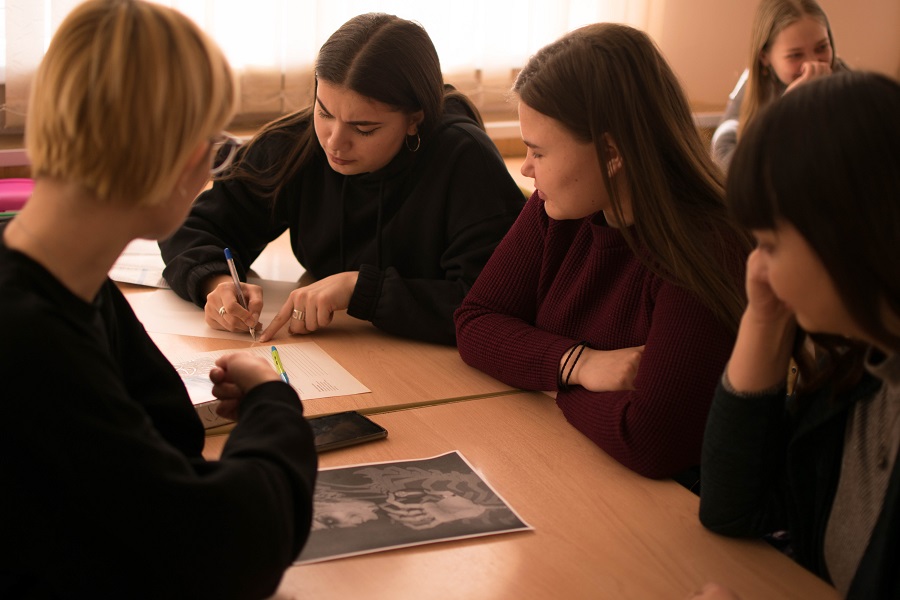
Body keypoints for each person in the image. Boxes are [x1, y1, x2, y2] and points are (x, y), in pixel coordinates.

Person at [0, 1, 317, 597]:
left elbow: (159, 438)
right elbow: (230, 548)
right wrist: (273, 404)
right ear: (183, 162)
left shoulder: (63, 280)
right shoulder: (30, 344)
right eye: (216, 148)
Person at [454, 23, 751, 481]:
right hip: (569, 464)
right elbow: (475, 322)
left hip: (667, 508)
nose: (527, 168)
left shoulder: (705, 247)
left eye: (538, 151)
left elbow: (649, 439)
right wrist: (577, 366)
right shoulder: (558, 208)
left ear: (612, 152)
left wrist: (548, 379)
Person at [159, 13, 525, 346]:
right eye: (324, 112)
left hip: (437, 364)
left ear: (415, 118)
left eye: (363, 128)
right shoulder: (295, 142)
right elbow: (194, 226)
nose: (334, 142)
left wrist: (359, 288)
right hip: (339, 349)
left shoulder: (465, 158)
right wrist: (217, 282)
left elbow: (498, 302)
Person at [699, 72, 900, 599]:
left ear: (845, 240)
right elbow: (734, 507)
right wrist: (764, 318)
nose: (757, 271)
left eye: (768, 244)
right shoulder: (863, 360)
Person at [710, 0, 848, 170]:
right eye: (795, 55)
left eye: (822, 48)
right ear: (764, 57)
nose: (812, 64)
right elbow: (721, 148)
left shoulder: (848, 85)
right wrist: (785, 110)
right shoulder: (754, 80)